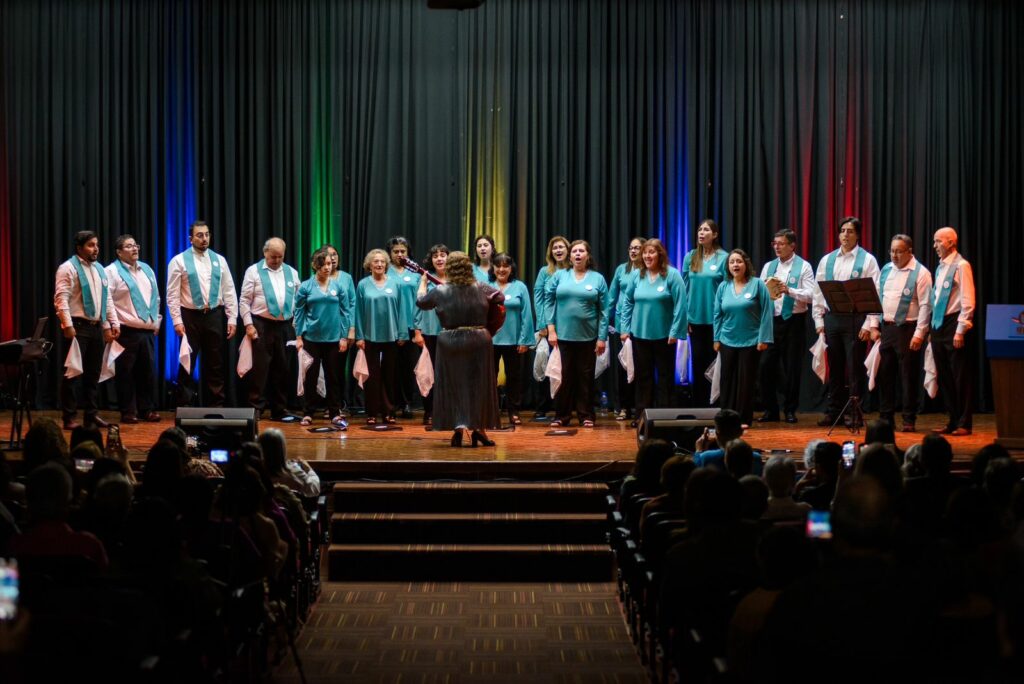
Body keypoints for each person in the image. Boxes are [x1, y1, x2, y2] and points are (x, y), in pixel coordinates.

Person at [416, 251, 504, 447]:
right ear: (468, 267)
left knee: (453, 386)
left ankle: (457, 430)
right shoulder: (481, 287)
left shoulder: (441, 290)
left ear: (449, 268)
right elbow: (500, 297)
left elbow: (421, 302)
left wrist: (422, 284)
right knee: (479, 386)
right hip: (479, 339)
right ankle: (479, 431)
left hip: (450, 341)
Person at [813, 216, 880, 427]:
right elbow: (818, 291)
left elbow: (875, 291)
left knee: (854, 367)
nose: (845, 235)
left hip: (856, 319)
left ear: (858, 235)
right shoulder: (827, 260)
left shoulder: (868, 260)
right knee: (836, 366)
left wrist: (869, 324)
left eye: (850, 231)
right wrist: (818, 321)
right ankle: (835, 412)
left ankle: (855, 412)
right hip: (833, 318)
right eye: (843, 231)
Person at [166, 220, 238, 407]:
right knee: (187, 361)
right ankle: (185, 404)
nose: (204, 238)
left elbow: (229, 290)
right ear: (190, 238)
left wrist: (232, 318)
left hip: (214, 315)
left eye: (206, 234)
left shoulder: (219, 260)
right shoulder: (178, 261)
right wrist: (176, 321)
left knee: (216, 362)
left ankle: (217, 403)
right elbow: (172, 295)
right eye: (199, 235)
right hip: (190, 316)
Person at [54, 230, 120, 429]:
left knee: (93, 375)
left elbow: (106, 299)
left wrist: (113, 323)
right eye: (91, 245)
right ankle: (69, 417)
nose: (96, 249)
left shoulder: (100, 269)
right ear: (79, 248)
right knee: (73, 373)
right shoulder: (68, 268)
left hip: (96, 327)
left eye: (97, 245)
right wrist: (67, 325)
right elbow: (61, 299)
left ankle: (91, 415)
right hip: (78, 326)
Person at [867, 234, 933, 433]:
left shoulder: (921, 273)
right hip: (887, 329)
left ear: (909, 252)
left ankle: (908, 418)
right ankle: (886, 417)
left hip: (908, 329)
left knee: (907, 376)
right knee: (886, 375)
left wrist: (919, 334)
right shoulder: (886, 270)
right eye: (892, 251)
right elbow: (877, 298)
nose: (894, 255)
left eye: (899, 251)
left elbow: (925, 306)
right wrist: (873, 325)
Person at [619, 238, 687, 426]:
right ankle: (642, 417)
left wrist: (675, 331)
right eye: (645, 253)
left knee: (665, 377)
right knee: (643, 377)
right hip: (640, 335)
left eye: (652, 252)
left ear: (660, 255)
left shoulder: (672, 275)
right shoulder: (637, 275)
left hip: (665, 336)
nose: (647, 256)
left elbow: (681, 305)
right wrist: (624, 328)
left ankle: (665, 416)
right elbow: (627, 303)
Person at [544, 239, 609, 428]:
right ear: (570, 256)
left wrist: (602, 337)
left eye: (581, 251)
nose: (578, 254)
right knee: (563, 377)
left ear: (588, 255)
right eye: (574, 251)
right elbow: (548, 301)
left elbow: (604, 311)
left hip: (588, 338)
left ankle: (586, 415)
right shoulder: (559, 276)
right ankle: (561, 416)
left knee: (585, 378)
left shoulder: (597, 279)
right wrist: (551, 329)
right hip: (562, 337)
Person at [239, 237, 301, 421]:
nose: (276, 260)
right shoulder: (253, 271)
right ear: (265, 253)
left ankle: (279, 409)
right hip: (261, 325)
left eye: (280, 257)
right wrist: (249, 324)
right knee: (260, 369)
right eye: (273, 256)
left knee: (282, 369)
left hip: (285, 327)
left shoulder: (292, 272)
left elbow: (298, 302)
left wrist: (297, 326)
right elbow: (244, 301)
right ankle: (256, 407)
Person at [757, 229, 816, 423]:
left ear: (792, 245)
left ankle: (790, 410)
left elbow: (811, 295)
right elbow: (760, 290)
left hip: (794, 322)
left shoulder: (804, 266)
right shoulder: (769, 267)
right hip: (772, 322)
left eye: (781, 243)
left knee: (792, 368)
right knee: (766, 366)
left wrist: (789, 290)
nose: (777, 247)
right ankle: (770, 410)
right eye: (775, 243)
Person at [104, 234, 161, 424]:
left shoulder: (147, 269)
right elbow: (107, 299)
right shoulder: (111, 271)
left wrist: (156, 322)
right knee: (125, 373)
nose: (135, 248)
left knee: (147, 372)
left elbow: (156, 297)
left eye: (135, 245)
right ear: (119, 252)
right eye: (128, 246)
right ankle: (128, 411)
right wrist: (111, 324)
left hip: (147, 330)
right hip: (125, 330)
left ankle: (147, 409)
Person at [713, 249, 773, 426]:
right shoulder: (723, 287)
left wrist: (764, 338)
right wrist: (716, 338)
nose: (735, 265)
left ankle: (743, 418)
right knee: (727, 381)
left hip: (751, 341)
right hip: (727, 340)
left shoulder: (758, 284)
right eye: (732, 262)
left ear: (746, 264)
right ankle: (726, 419)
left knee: (746, 382)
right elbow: (717, 314)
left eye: (739, 261)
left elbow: (766, 313)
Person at [294, 248, 350, 428]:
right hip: (312, 339)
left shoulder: (338, 286)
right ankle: (308, 412)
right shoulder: (306, 286)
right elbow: (299, 311)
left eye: (329, 264)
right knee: (310, 376)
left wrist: (344, 337)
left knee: (333, 377)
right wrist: (299, 336)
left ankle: (334, 412)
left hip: (333, 339)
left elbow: (345, 312)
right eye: (323, 264)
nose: (327, 267)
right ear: (315, 265)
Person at [930, 226, 975, 436]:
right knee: (945, 375)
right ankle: (953, 419)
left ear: (950, 242)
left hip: (954, 324)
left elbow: (967, 300)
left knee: (960, 376)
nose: (935, 246)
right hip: (939, 325)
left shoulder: (961, 266)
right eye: (935, 241)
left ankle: (965, 422)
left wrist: (961, 329)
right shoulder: (940, 267)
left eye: (938, 241)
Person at [355, 248, 404, 425]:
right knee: (372, 377)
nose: (379, 264)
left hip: (391, 336)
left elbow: (401, 310)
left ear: (386, 264)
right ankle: (372, 412)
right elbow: (358, 312)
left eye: (382, 261)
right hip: (369, 336)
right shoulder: (363, 285)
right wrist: (359, 336)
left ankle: (389, 412)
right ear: (369, 265)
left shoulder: (395, 283)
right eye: (375, 261)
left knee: (390, 376)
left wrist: (402, 333)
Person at [682, 219, 728, 407]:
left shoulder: (724, 257)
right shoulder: (690, 256)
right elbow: (685, 287)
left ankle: (716, 404)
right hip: (695, 320)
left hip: (716, 320)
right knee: (698, 364)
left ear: (715, 235)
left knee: (715, 364)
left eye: (706, 230)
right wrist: (684, 318)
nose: (701, 233)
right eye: (700, 229)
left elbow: (727, 289)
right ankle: (699, 405)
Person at [489, 252, 534, 425]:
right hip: (490, 341)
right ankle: (490, 411)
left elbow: (527, 315)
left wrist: (524, 340)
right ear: (493, 268)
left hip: (514, 342)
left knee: (514, 378)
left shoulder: (519, 287)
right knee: (489, 378)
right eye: (498, 265)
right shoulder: (486, 286)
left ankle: (514, 411)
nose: (501, 269)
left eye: (505, 266)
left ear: (511, 268)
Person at [606, 237, 645, 421]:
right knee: (623, 368)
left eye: (637, 248)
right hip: (622, 326)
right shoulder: (622, 270)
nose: (633, 251)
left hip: (642, 326)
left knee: (640, 368)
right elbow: (611, 298)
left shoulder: (647, 271)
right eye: (631, 248)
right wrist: (605, 322)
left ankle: (641, 408)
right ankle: (624, 407)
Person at [531, 235, 571, 419]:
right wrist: (543, 325)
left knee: (566, 368)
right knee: (547, 366)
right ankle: (542, 407)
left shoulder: (573, 271)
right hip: (548, 327)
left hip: (568, 327)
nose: (558, 250)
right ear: (551, 252)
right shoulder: (544, 272)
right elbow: (539, 299)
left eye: (561, 247)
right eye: (555, 248)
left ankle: (564, 407)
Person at [413, 244, 449, 426]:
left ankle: (446, 410)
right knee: (429, 372)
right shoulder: (424, 280)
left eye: (443, 255)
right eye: (436, 256)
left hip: (449, 334)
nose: (440, 259)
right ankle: (429, 410)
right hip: (429, 333)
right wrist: (418, 332)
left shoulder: (454, 280)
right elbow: (418, 307)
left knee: (447, 374)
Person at [386, 236, 421, 418]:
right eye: (396, 251)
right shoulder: (384, 272)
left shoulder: (415, 274)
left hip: (410, 327)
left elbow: (419, 302)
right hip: (389, 328)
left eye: (403, 251)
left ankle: (407, 403)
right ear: (390, 254)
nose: (399, 254)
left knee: (409, 368)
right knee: (391, 369)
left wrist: (417, 328)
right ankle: (391, 404)